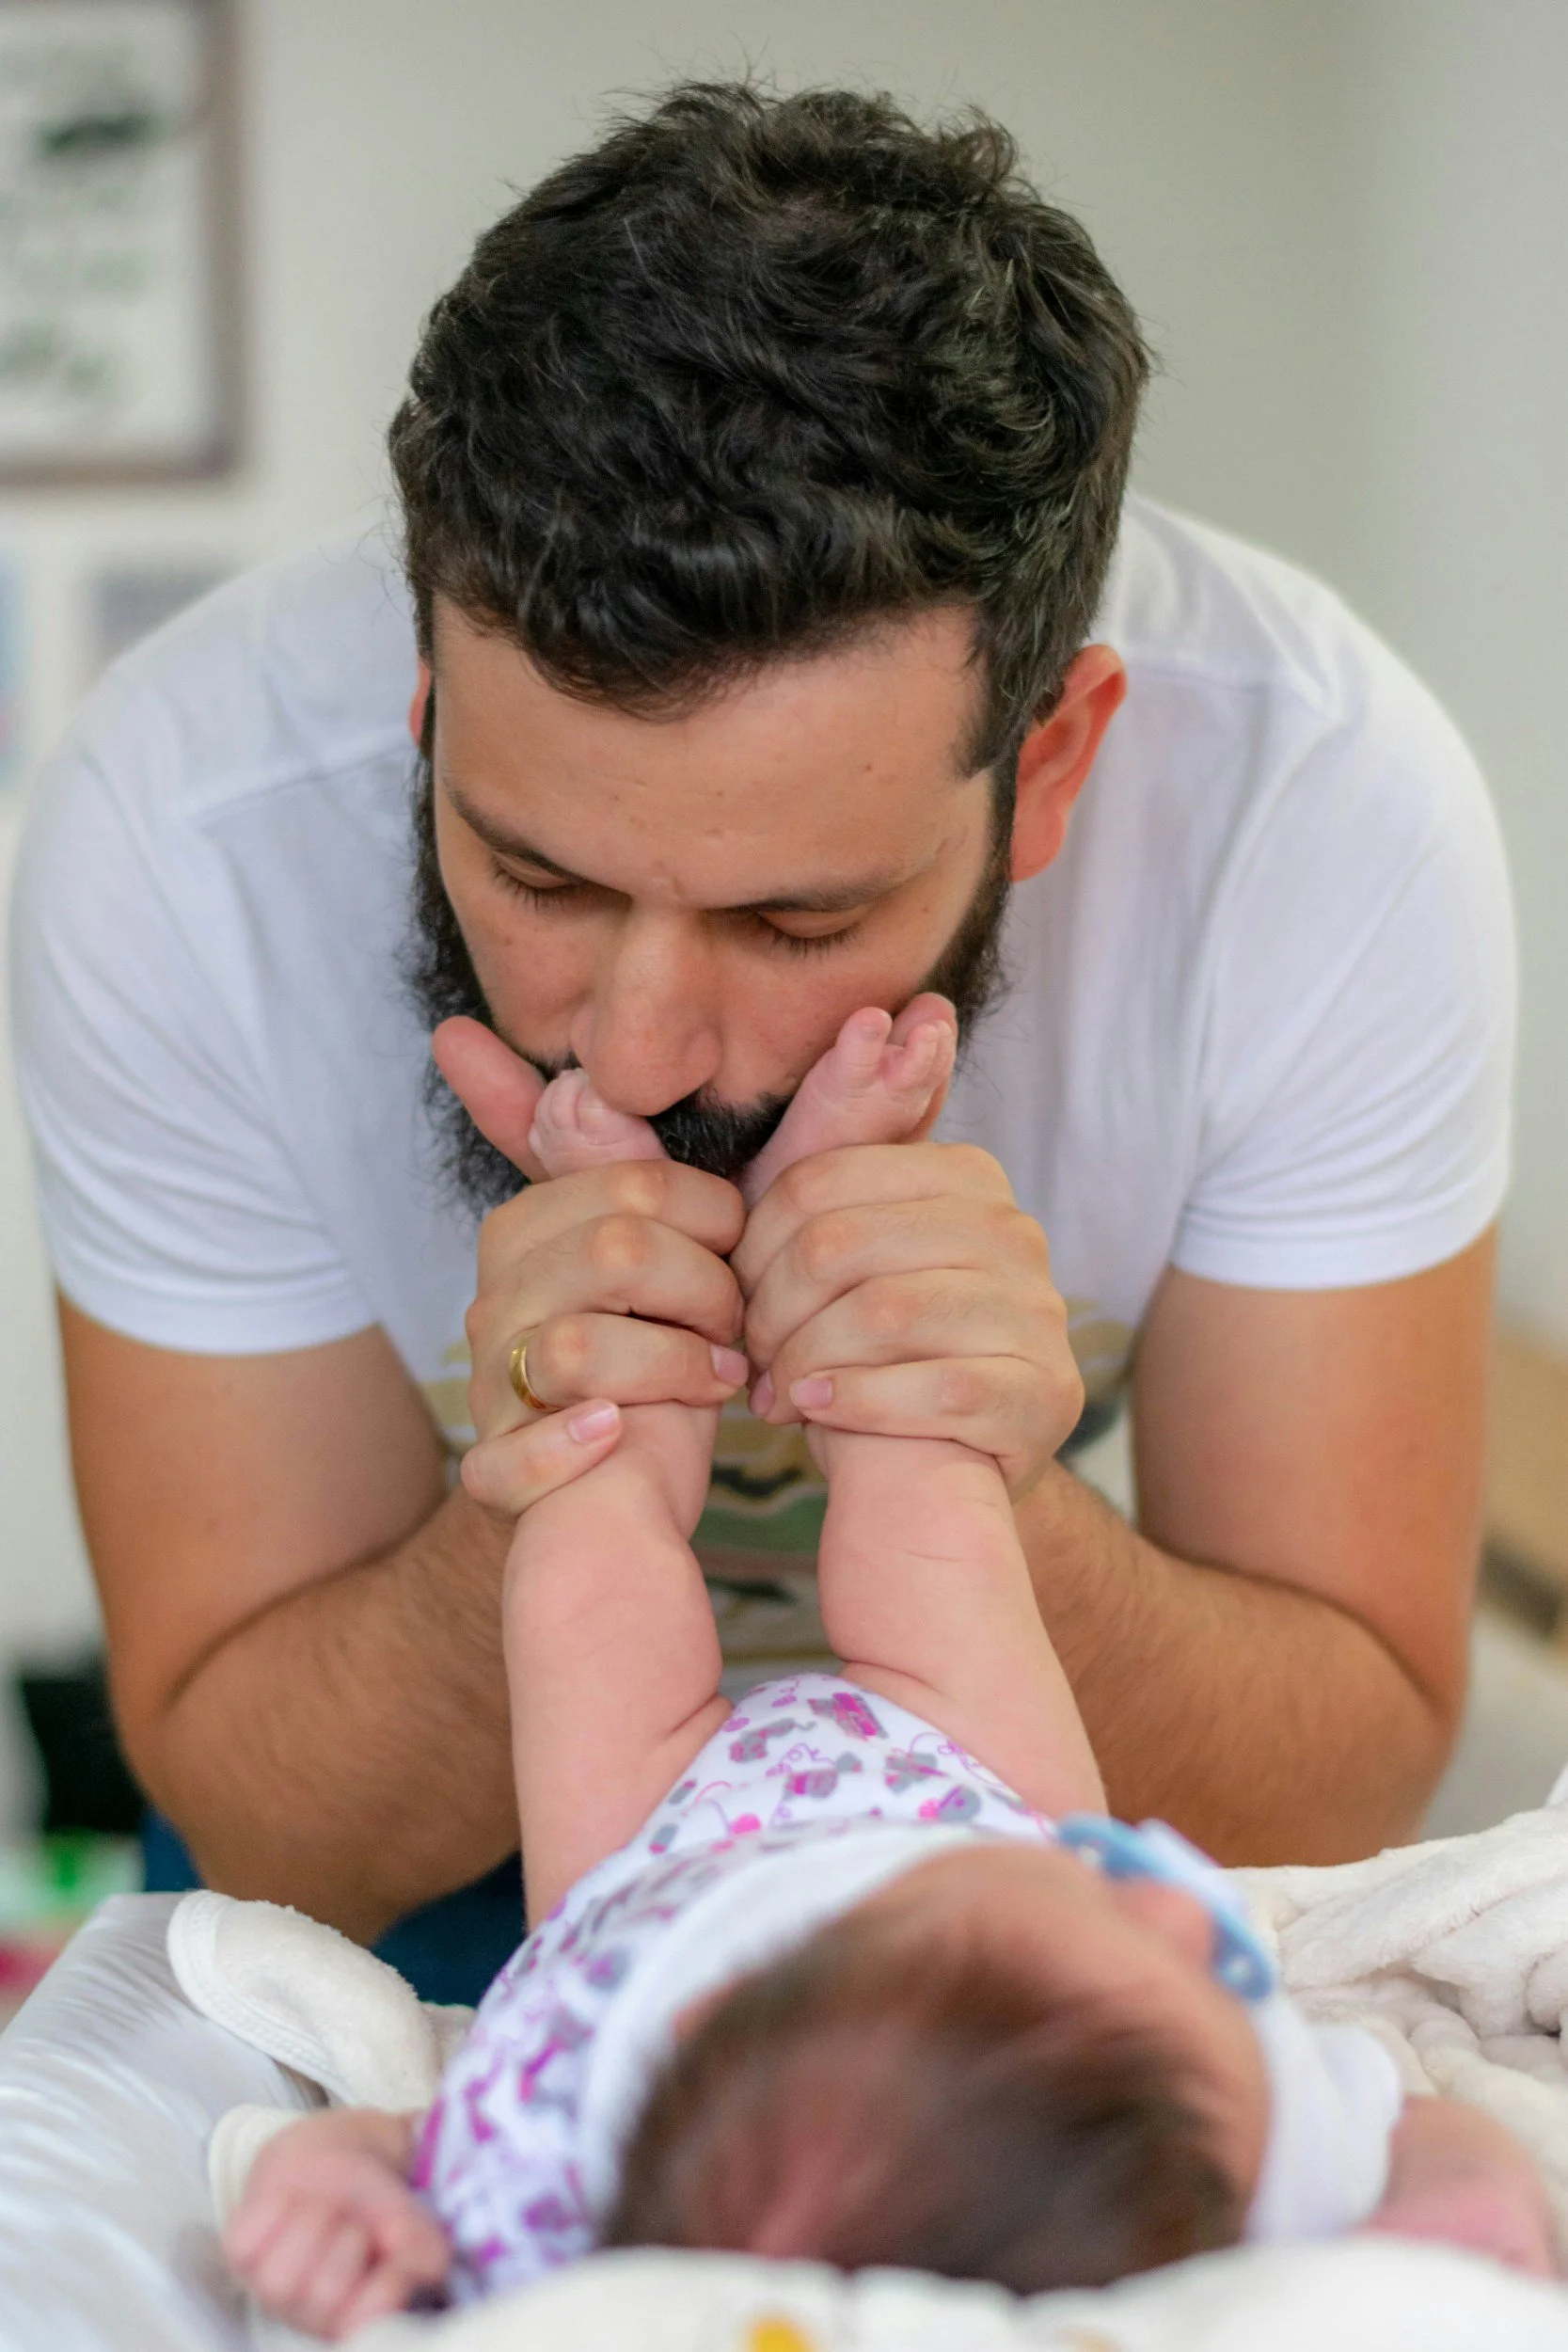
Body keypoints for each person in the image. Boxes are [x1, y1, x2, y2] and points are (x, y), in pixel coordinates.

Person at [9, 85, 1512, 1996]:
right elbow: (269, 1827)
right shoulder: (175, 830)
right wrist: (558, 1494)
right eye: (533, 873)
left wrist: (977, 1485)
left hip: (1024, 1833)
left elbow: (1348, 1769)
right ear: (422, 699)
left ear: (1047, 765)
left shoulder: (1323, 819)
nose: (632, 1046)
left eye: (793, 918)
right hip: (415, 1894)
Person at [223, 1021, 1551, 2341]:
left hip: (642, 1890)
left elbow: (372, 2146)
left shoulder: (558, 2169)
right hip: (972, 1804)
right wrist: (1462, 2211)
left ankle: (626, 1250)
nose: (1162, 1897)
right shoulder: (1250, 2160)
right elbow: (1410, 2125)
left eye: (1096, 1925)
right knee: (933, 1521)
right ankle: (841, 1215)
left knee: (586, 1569)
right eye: (1176, 1977)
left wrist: (331, 2200)